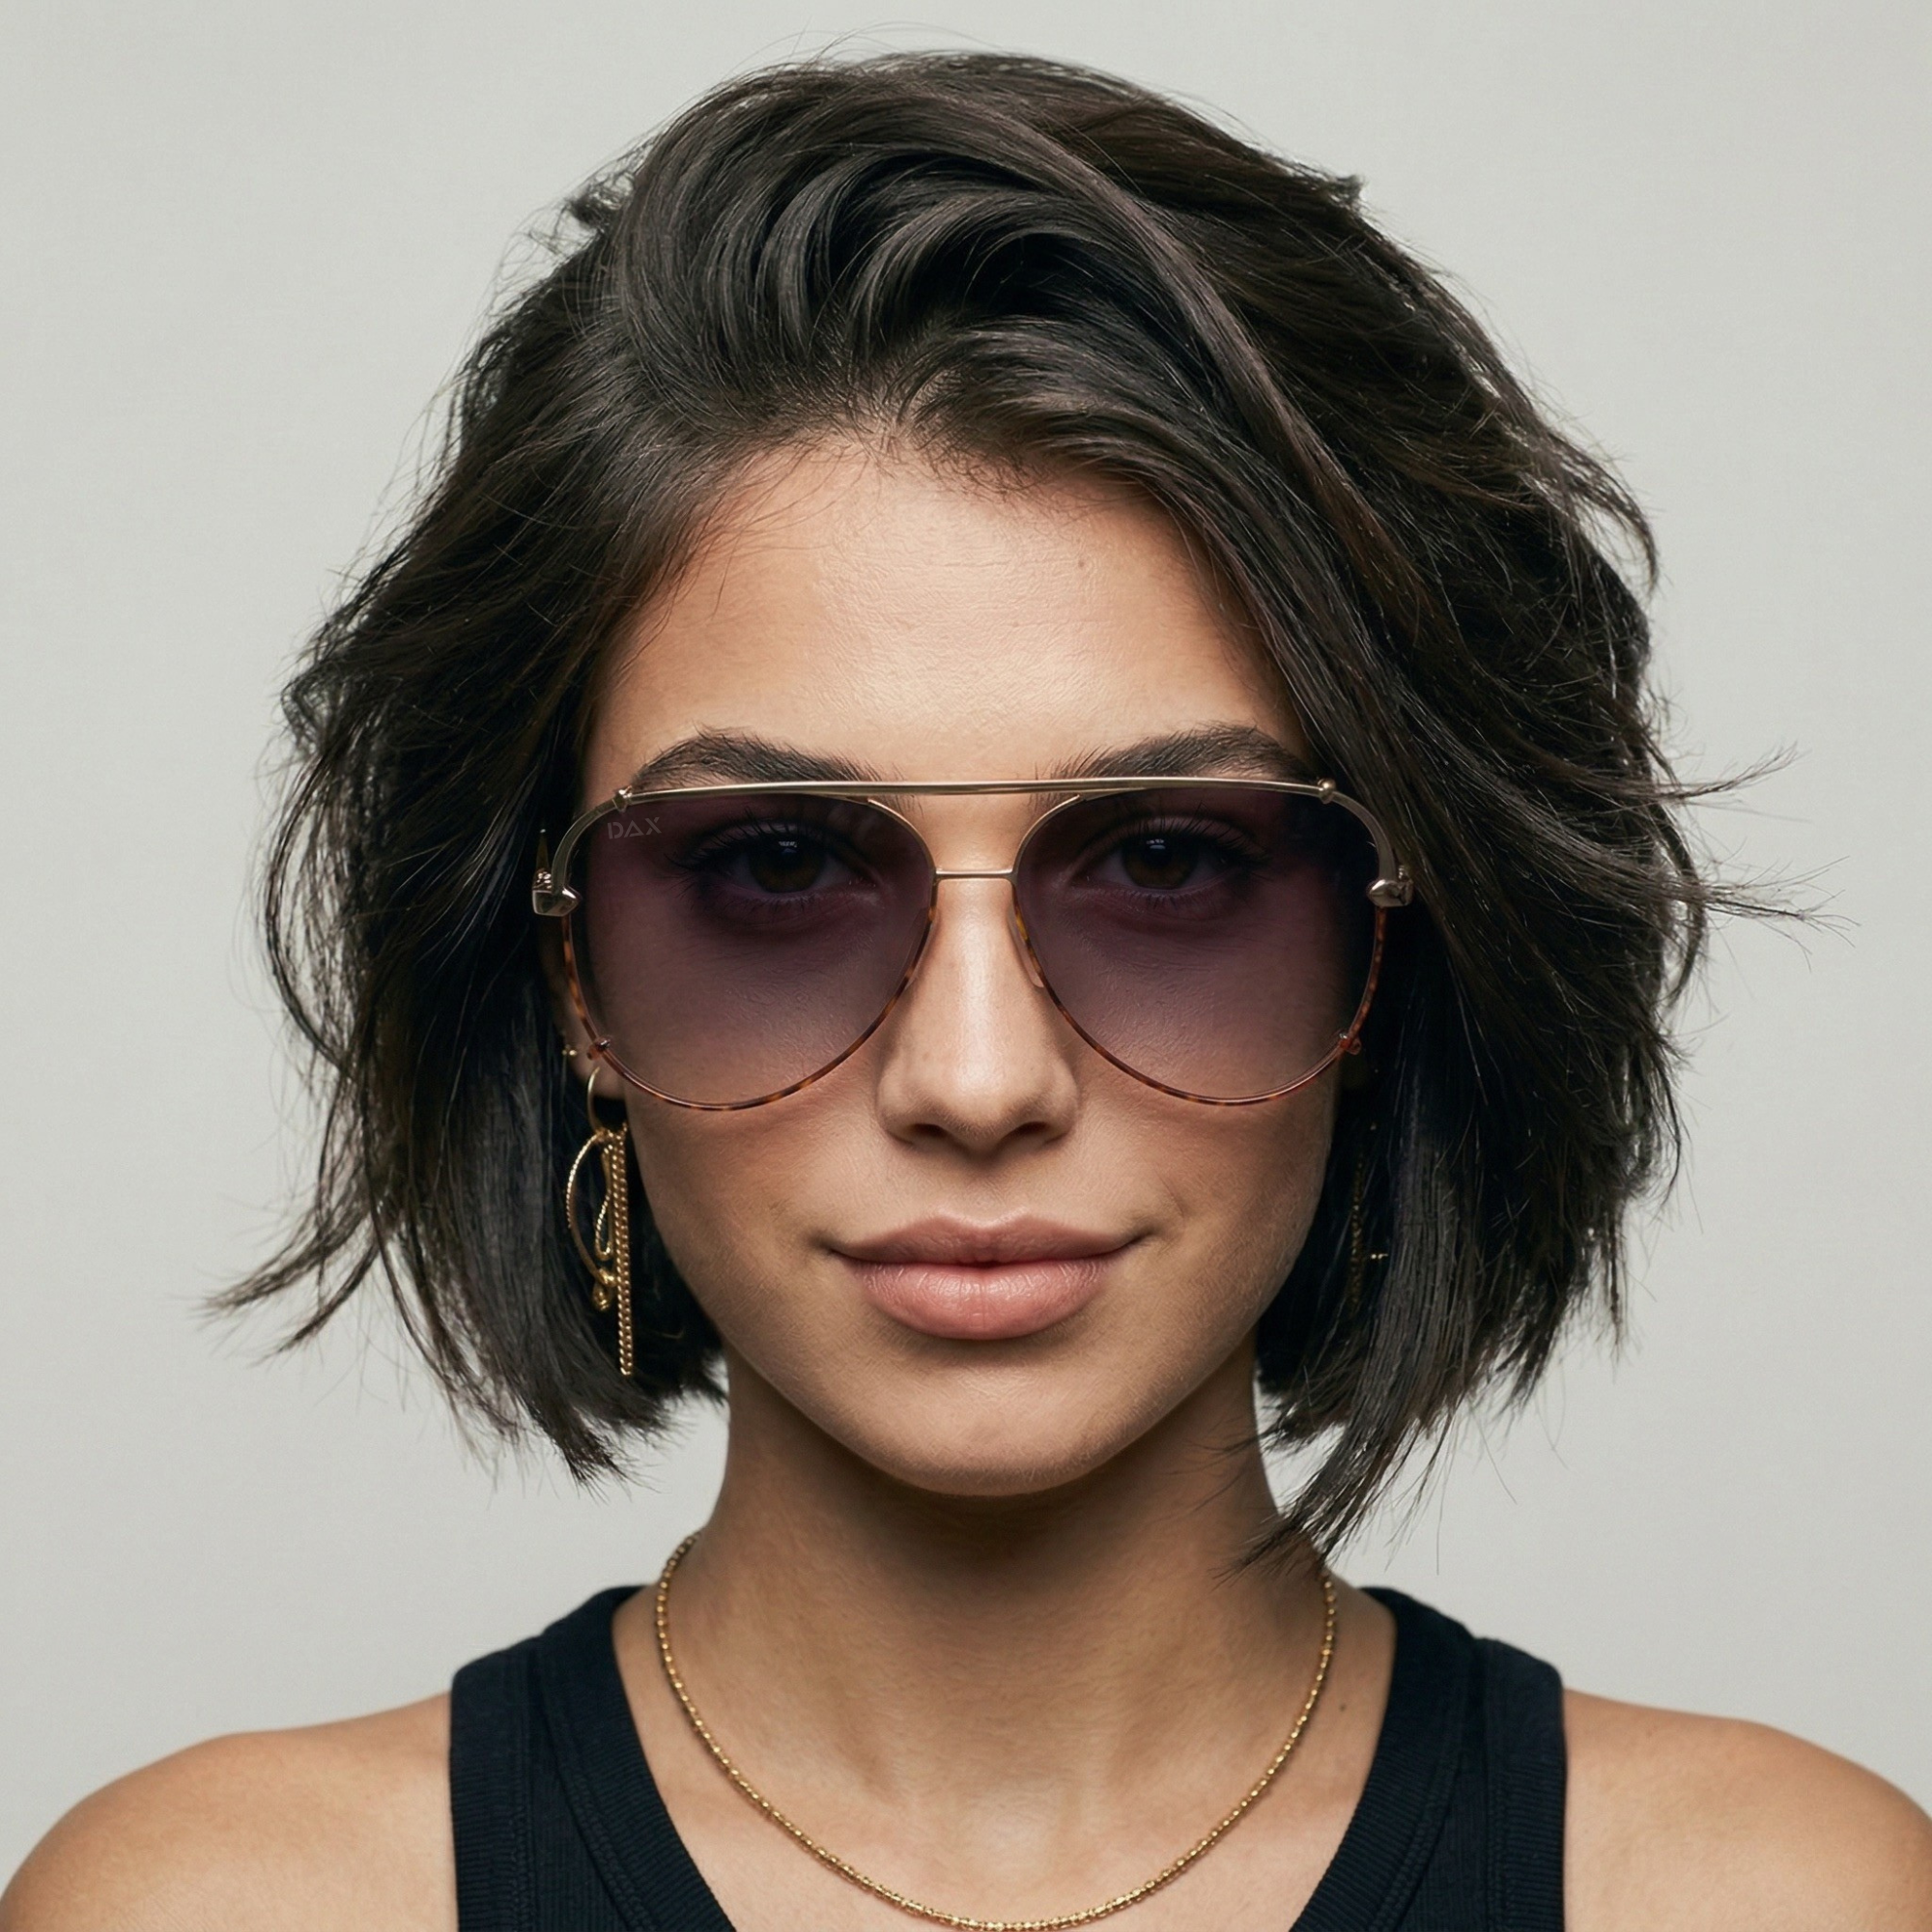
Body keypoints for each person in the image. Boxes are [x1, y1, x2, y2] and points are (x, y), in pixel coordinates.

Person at [5, 50, 1928, 1932]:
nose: (980, 1079)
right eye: (776, 865)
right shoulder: (216, 1908)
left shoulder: (1776, 1900)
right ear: (569, 972)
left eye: (1169, 860)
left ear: (1393, 944)